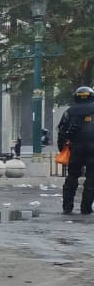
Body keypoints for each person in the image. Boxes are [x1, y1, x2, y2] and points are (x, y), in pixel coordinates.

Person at [57, 86, 94, 215]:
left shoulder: (69, 112)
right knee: (91, 177)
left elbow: (62, 133)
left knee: (72, 176)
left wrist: (62, 149)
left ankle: (67, 207)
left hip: (75, 148)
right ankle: (86, 208)